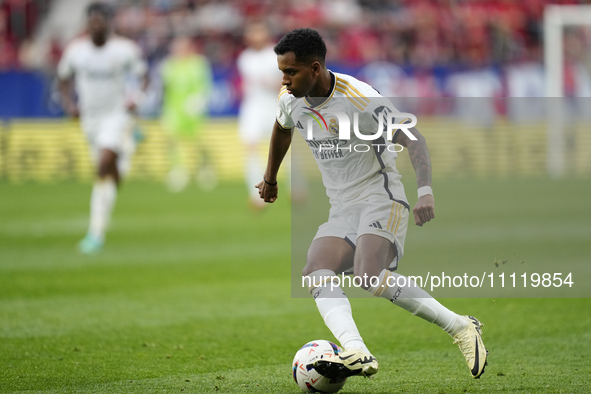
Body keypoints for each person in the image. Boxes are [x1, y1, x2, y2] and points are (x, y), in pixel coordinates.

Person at [257, 28, 488, 381]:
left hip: (382, 198)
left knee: (369, 275)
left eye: (291, 72)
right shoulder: (291, 99)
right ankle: (357, 351)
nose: (284, 80)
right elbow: (283, 128)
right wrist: (271, 178)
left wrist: (424, 191)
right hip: (342, 207)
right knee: (315, 271)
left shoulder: (360, 99)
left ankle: (461, 327)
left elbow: (413, 138)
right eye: (282, 72)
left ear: (315, 68)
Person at [58, 2, 148, 254]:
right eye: (92, 21)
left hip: (116, 115)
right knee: (110, 175)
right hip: (90, 119)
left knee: (102, 166)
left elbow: (145, 77)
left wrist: (136, 99)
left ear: (109, 23)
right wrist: (69, 104)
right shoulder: (76, 51)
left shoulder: (124, 49)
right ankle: (124, 156)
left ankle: (95, 233)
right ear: (86, 24)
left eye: (100, 21)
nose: (96, 26)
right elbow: (63, 78)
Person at [237, 22, 283, 208]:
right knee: (251, 148)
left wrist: (273, 83)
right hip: (253, 107)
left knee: (283, 150)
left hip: (274, 105)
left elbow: (287, 81)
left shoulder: (276, 56)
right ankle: (256, 194)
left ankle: (296, 187)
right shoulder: (245, 58)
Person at [160, 36, 214, 192]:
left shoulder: (199, 64)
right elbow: (165, 88)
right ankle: (178, 170)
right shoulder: (168, 66)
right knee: (173, 140)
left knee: (198, 141)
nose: (179, 51)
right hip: (174, 110)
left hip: (193, 111)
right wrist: (165, 108)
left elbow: (206, 86)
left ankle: (204, 168)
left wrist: (199, 102)